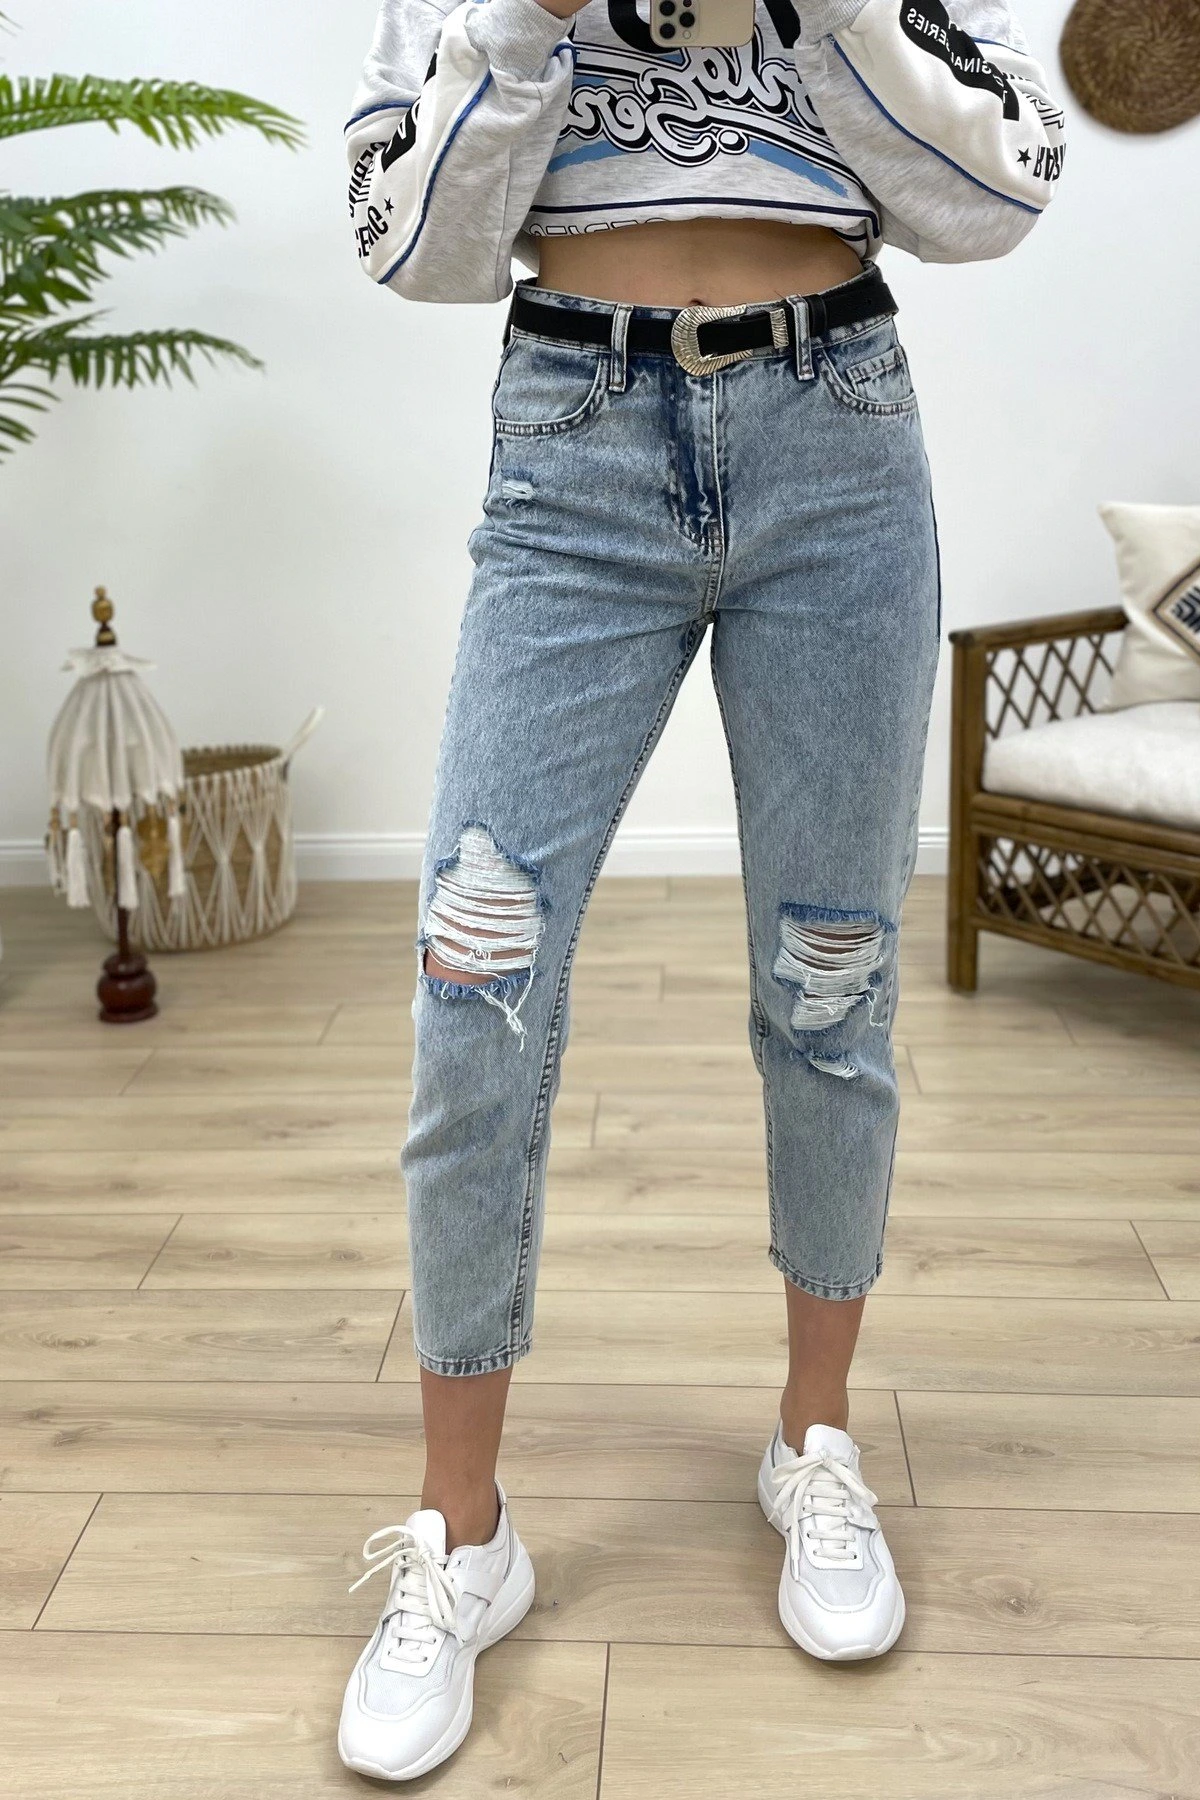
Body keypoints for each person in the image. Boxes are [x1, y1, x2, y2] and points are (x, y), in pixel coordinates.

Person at [338, 0, 1065, 1779]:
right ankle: (461, 1534)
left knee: (832, 982)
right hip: (572, 434)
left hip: (841, 429)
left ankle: (815, 1444)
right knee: (474, 989)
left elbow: (997, 193)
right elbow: (410, 245)